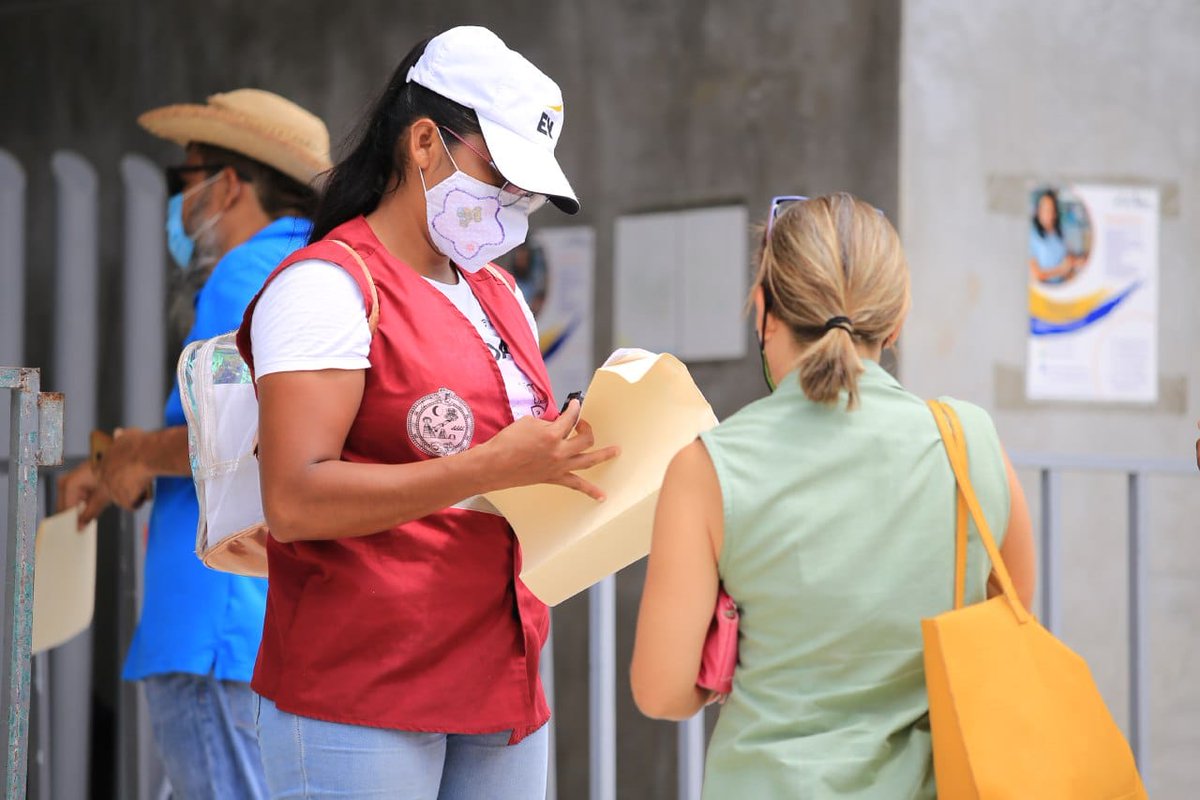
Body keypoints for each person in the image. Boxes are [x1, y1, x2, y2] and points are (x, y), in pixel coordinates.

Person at [236, 27, 618, 799]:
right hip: (363, 689)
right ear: (422, 143)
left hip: (499, 680)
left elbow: (511, 468)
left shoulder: (498, 292)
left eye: (527, 192)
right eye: (499, 176)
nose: (513, 204)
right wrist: (489, 466)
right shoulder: (328, 288)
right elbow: (295, 498)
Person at [630, 193, 1036, 798]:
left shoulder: (708, 468)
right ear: (896, 320)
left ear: (764, 308)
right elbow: (1011, 619)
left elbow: (662, 691)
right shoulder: (970, 445)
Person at [56, 89, 331, 799]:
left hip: (214, 624)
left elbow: (240, 438)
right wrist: (121, 457)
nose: (179, 208)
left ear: (229, 185)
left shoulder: (247, 270)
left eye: (186, 182)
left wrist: (142, 453)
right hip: (273, 624)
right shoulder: (323, 271)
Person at [1029, 188, 1083, 283]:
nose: (1046, 213)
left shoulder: (1059, 233)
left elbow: (1066, 258)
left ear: (1055, 213)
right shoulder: (1032, 235)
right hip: (1044, 290)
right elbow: (1037, 274)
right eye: (1043, 209)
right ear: (1038, 211)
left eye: (1050, 209)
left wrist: (1074, 261)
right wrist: (1061, 270)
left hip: (1062, 285)